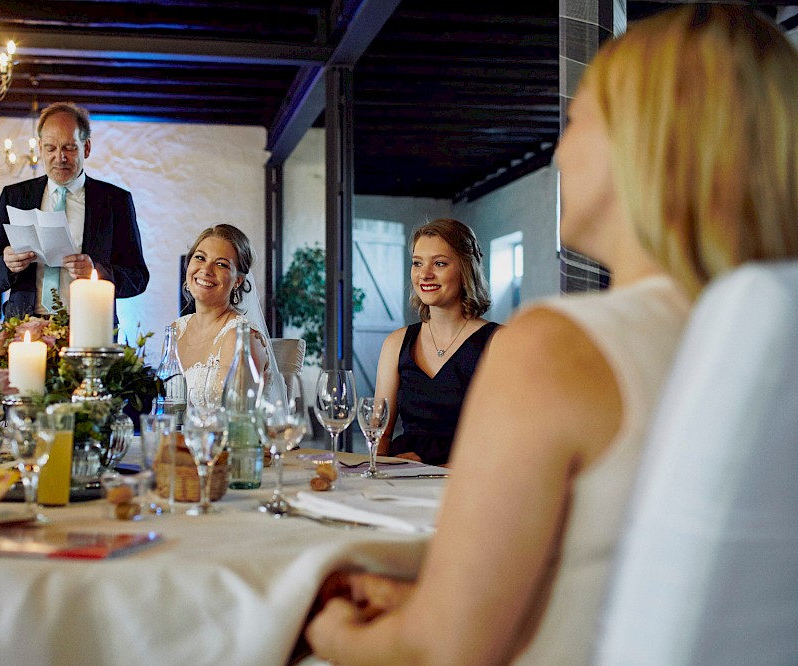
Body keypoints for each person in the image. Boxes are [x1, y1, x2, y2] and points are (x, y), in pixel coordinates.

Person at [305, 6, 798, 665]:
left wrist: (317, 621)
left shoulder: (558, 345)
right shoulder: (752, 338)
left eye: (579, 122)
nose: (561, 152)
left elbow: (437, 653)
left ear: (645, 141)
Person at [0, 101, 149, 318]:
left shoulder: (115, 201)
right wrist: (7, 264)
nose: (60, 158)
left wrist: (96, 272)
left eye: (69, 148)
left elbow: (137, 278)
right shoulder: (14, 196)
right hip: (25, 328)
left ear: (86, 148)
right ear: (40, 147)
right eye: (51, 148)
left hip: (89, 326)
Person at [375, 219, 499, 466]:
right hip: (403, 481)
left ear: (466, 270)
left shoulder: (499, 342)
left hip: (467, 482)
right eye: (417, 263)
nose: (424, 274)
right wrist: (382, 469)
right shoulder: (396, 343)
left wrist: (433, 471)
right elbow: (380, 433)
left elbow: (509, 441)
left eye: (439, 263)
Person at [174, 224, 284, 404]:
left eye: (221, 264)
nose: (206, 270)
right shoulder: (175, 330)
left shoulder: (240, 337)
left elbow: (239, 420)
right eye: (200, 258)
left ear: (238, 281)